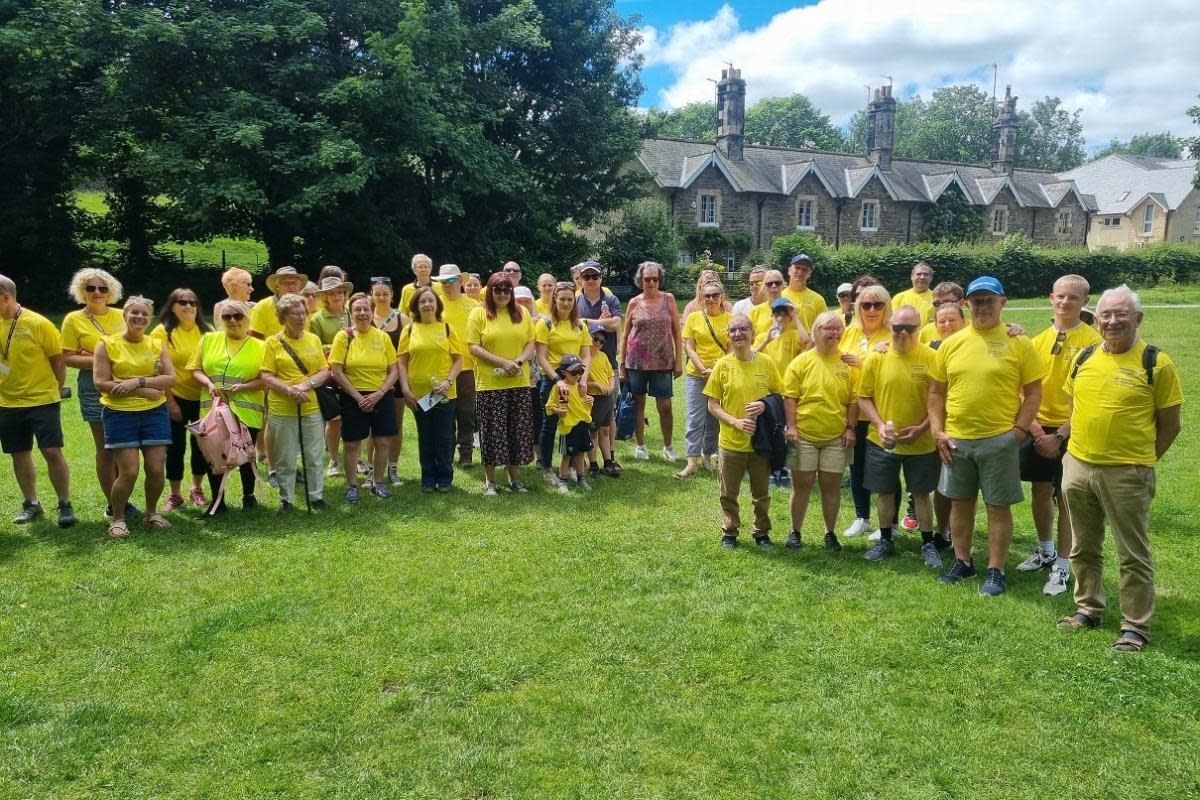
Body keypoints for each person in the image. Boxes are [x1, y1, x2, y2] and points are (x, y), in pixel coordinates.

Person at [1057, 285, 1183, 653]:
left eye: (1121, 314)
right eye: (1106, 315)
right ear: (1096, 320)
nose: (1113, 321)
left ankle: (1135, 627)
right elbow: (1074, 407)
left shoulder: (1156, 363)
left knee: (1132, 553)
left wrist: (1141, 460)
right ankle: (1088, 608)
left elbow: (1170, 425)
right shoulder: (1084, 357)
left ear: (1138, 319)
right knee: (1083, 545)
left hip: (1127, 473)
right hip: (1078, 466)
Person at [929, 276, 1045, 596]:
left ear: (1002, 302)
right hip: (956, 439)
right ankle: (963, 562)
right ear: (966, 304)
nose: (982, 306)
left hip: (999, 439)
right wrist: (938, 431)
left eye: (988, 300)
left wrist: (1019, 430)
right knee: (960, 504)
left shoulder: (1018, 341)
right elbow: (936, 392)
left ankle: (996, 569)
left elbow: (1034, 392)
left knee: (997, 506)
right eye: (976, 300)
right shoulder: (951, 343)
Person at [1015, 274, 1103, 595]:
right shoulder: (1035, 341)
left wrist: (1061, 434)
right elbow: (1024, 390)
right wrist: (1038, 431)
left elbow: (1089, 397)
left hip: (1072, 429)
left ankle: (1063, 565)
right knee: (1040, 492)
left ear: (1085, 302)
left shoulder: (1094, 343)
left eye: (1073, 298)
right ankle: (1045, 550)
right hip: (1038, 428)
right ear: (1051, 298)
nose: (1065, 302)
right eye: (1060, 297)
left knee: (1066, 498)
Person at [856, 306, 941, 564]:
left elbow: (939, 400)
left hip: (922, 441)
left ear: (919, 329)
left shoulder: (931, 357)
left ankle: (928, 544)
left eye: (909, 328)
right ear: (890, 326)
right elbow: (863, 397)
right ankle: (885, 540)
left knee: (922, 494)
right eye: (897, 328)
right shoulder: (876, 357)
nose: (902, 333)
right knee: (884, 492)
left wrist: (923, 428)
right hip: (883, 440)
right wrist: (880, 425)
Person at [92, 296, 176, 536]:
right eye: (134, 313)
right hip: (119, 414)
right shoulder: (107, 344)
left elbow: (171, 378)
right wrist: (140, 389)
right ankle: (117, 518)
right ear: (125, 316)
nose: (139, 317)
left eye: (144, 314)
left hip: (155, 412)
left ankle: (151, 513)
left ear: (149, 319)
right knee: (128, 471)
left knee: (156, 469)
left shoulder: (156, 344)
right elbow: (101, 382)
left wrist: (137, 381)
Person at [0, 275, 75, 527]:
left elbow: (58, 360)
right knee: (19, 455)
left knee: (52, 451)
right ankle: (31, 503)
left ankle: (64, 504)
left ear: (6, 296)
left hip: (42, 400)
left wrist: (53, 388)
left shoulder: (38, 323)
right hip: (8, 403)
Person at [704, 313, 782, 550]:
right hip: (730, 443)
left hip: (760, 443)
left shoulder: (766, 363)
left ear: (752, 333)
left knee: (761, 494)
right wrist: (735, 422)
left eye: (743, 329)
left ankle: (761, 533)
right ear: (728, 336)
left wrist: (765, 403)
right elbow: (712, 404)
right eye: (733, 330)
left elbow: (780, 395)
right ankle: (729, 532)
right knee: (728, 493)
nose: (738, 334)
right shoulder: (723, 365)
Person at [782, 311, 857, 552]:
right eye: (828, 328)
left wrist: (850, 429)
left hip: (836, 437)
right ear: (816, 331)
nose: (834, 333)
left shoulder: (847, 363)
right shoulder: (801, 362)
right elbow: (790, 398)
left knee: (831, 485)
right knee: (801, 484)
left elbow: (854, 401)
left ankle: (830, 533)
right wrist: (791, 427)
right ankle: (795, 532)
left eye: (837, 329)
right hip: (803, 435)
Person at [187, 299, 266, 514]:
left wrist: (243, 387)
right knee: (214, 455)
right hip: (212, 410)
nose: (232, 320)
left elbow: (266, 379)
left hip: (247, 409)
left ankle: (248, 497)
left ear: (247, 319)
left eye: (237, 316)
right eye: (227, 316)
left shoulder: (261, 346)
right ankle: (217, 502)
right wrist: (209, 384)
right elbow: (194, 369)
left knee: (246, 454)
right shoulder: (208, 340)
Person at [61, 268, 127, 516]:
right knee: (105, 447)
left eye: (102, 288)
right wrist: (105, 360)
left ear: (111, 291)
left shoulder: (123, 315)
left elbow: (138, 347)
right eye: (91, 288)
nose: (97, 292)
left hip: (125, 384)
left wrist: (91, 355)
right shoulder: (73, 319)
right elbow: (68, 358)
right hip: (93, 386)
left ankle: (124, 499)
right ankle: (112, 502)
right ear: (82, 291)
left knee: (124, 444)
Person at [467, 274, 537, 496]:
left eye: (507, 290)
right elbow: (473, 347)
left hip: (518, 381)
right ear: (490, 291)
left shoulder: (522, 313)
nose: (503, 294)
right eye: (498, 290)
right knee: (492, 433)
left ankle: (514, 479)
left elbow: (530, 343)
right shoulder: (479, 314)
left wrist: (516, 362)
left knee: (516, 431)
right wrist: (502, 362)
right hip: (490, 385)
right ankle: (490, 481)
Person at [261, 293, 329, 512]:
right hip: (282, 409)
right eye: (296, 314)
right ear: (283, 316)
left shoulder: (313, 339)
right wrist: (290, 390)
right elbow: (266, 375)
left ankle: (316, 496)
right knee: (285, 456)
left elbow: (324, 370)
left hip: (311, 406)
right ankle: (287, 499)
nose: (301, 317)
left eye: (303, 313)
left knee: (314, 454)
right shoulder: (273, 343)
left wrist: (304, 386)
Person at [329, 293, 399, 501]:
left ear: (372, 311)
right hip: (352, 396)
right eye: (357, 309)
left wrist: (379, 394)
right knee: (351, 443)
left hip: (381, 396)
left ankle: (377, 482)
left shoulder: (383, 337)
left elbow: (393, 370)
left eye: (365, 309)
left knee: (383, 441)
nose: (362, 313)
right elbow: (336, 371)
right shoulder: (344, 337)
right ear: (351, 313)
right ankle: (352, 486)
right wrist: (357, 396)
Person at [839, 284, 893, 539]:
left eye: (877, 304)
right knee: (856, 467)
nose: (871, 310)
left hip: (881, 412)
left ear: (886, 307)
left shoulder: (893, 335)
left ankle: (890, 522)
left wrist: (862, 363)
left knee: (885, 467)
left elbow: (896, 372)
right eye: (866, 305)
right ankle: (862, 517)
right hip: (853, 412)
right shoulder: (850, 332)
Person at [151, 288, 212, 513]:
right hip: (175, 397)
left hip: (203, 399)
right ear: (172, 306)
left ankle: (197, 488)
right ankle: (175, 494)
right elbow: (157, 371)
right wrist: (170, 403)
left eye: (193, 302)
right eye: (182, 302)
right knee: (175, 447)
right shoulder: (161, 333)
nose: (188, 306)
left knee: (201, 446)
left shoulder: (208, 331)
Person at [398, 287, 464, 493]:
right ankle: (428, 478)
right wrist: (405, 389)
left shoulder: (446, 328)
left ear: (437, 304)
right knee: (425, 436)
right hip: (419, 394)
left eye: (430, 301)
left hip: (444, 394)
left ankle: (445, 478)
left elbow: (458, 360)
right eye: (422, 302)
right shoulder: (409, 330)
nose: (427, 304)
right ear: (416, 306)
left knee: (444, 436)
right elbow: (401, 363)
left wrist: (448, 381)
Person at [620, 261, 681, 462]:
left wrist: (678, 361)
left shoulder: (669, 299)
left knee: (665, 406)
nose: (651, 282)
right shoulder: (634, 303)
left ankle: (668, 446)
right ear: (641, 280)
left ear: (660, 280)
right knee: (638, 404)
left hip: (663, 362)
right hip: (636, 362)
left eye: (655, 279)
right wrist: (622, 365)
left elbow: (677, 332)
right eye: (647, 279)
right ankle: (640, 446)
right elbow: (625, 334)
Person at [535, 281, 592, 483]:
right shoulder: (546, 324)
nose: (566, 303)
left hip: (574, 380)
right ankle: (547, 468)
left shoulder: (580, 325)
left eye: (570, 299)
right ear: (555, 300)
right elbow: (541, 356)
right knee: (549, 425)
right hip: (552, 379)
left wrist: (583, 379)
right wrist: (557, 379)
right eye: (562, 299)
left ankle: (574, 468)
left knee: (576, 423)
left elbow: (586, 355)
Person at [754, 296, 810, 488]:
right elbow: (752, 356)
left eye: (784, 314)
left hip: (789, 391)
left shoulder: (793, 334)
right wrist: (767, 340)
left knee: (789, 431)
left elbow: (807, 341)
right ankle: (771, 469)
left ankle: (785, 470)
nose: (780, 317)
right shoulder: (765, 335)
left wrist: (795, 316)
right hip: (770, 392)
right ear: (772, 316)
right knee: (771, 430)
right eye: (777, 313)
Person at [678, 279, 730, 479]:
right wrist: (702, 367)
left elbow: (732, 349)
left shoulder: (731, 319)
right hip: (696, 374)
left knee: (714, 419)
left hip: (720, 375)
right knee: (695, 418)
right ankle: (692, 461)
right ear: (701, 297)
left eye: (714, 295)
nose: (710, 299)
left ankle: (707, 457)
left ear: (721, 297)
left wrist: (717, 368)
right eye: (706, 295)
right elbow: (689, 346)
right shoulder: (693, 318)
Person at [433, 264, 482, 466]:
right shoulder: (435, 305)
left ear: (461, 282)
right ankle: (447, 454)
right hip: (442, 369)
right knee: (445, 414)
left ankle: (467, 454)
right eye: (444, 281)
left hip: (468, 368)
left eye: (452, 280)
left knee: (467, 413)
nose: (447, 285)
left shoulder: (474, 306)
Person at [309, 274, 352, 477]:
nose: (336, 296)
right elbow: (313, 348)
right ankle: (334, 461)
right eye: (331, 293)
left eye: (340, 292)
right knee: (334, 419)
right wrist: (339, 344)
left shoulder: (353, 313)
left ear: (345, 294)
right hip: (328, 376)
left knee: (355, 417)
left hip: (354, 373)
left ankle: (357, 458)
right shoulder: (317, 319)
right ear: (324, 297)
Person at [370, 277, 408, 487]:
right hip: (371, 379)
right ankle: (372, 470)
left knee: (395, 424)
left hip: (397, 379)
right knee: (371, 428)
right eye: (377, 294)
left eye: (385, 293)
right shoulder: (366, 317)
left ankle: (393, 467)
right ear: (371, 295)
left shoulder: (402, 319)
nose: (382, 298)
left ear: (392, 294)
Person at [545, 353, 594, 493]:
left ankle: (581, 478)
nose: (578, 375)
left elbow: (583, 404)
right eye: (574, 372)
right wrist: (558, 411)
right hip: (568, 427)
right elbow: (549, 406)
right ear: (564, 373)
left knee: (580, 453)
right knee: (566, 455)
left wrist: (591, 400)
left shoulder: (580, 387)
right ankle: (563, 480)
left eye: (580, 371)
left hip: (582, 425)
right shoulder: (559, 388)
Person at [585, 325, 619, 477]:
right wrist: (597, 385)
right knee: (593, 432)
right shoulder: (584, 358)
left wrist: (611, 387)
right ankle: (593, 464)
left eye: (602, 341)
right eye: (595, 339)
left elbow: (611, 375)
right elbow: (580, 382)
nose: (598, 343)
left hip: (606, 398)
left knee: (605, 431)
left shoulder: (603, 357)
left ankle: (608, 462)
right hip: (593, 399)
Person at [250, 266, 307, 339]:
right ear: (277, 286)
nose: (291, 286)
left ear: (299, 286)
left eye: (294, 283)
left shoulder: (305, 306)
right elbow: (254, 338)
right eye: (286, 283)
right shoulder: (262, 307)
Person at [781, 253, 828, 331]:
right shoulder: (780, 296)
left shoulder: (817, 300)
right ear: (789, 270)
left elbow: (825, 327)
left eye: (805, 269)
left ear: (809, 274)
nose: (800, 272)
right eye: (797, 268)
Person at [748, 270, 786, 335]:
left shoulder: (792, 309)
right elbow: (750, 339)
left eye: (777, 283)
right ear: (764, 287)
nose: (774, 286)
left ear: (783, 285)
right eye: (769, 284)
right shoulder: (755, 312)